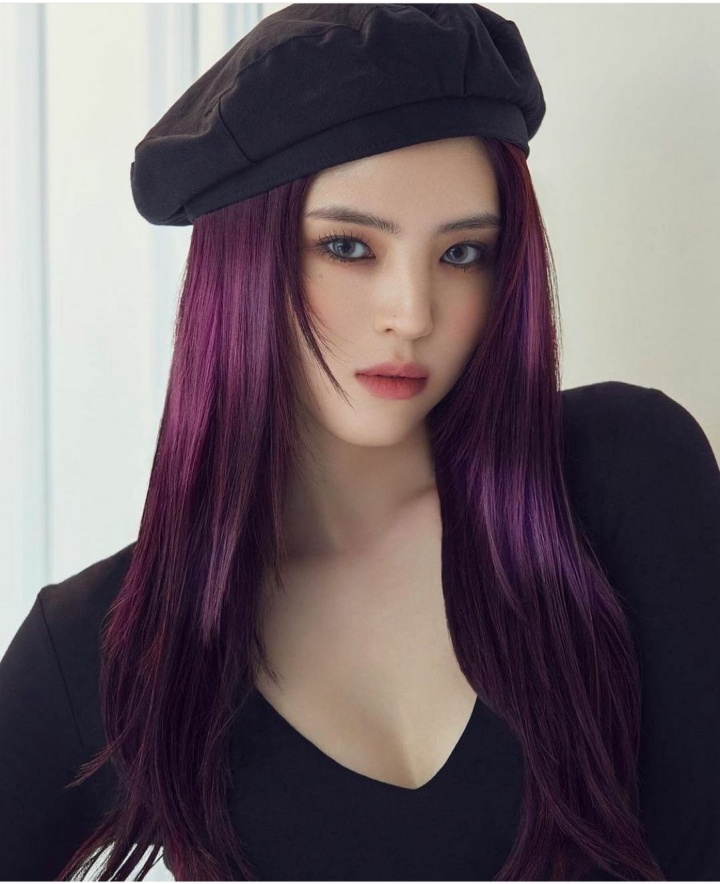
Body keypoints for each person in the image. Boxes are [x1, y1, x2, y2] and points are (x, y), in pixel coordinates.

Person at [1, 4, 719, 881]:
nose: (412, 315)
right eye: (348, 247)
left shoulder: (626, 479)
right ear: (242, 264)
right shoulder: (109, 646)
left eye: (463, 254)